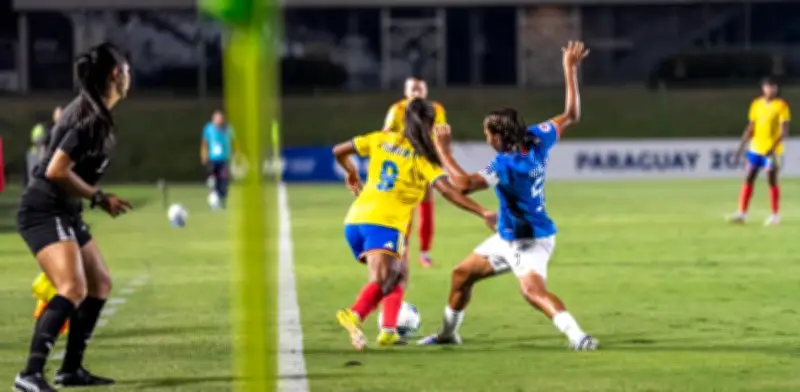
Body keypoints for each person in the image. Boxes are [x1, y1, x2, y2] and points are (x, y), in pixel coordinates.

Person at [417, 41, 598, 351]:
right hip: (510, 233)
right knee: (462, 274)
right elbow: (571, 115)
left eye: (488, 135)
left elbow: (462, 183)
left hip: (527, 239)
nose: (487, 139)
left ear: (500, 137)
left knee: (532, 291)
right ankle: (448, 333)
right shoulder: (538, 138)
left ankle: (578, 336)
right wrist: (569, 69)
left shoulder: (504, 165)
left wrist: (443, 150)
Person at [14, 42, 133, 392]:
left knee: (100, 284)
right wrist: (98, 197)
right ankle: (30, 374)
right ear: (116, 74)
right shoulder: (90, 118)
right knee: (73, 287)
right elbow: (56, 169)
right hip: (43, 208)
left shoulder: (96, 111)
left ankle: (70, 370)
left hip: (64, 208)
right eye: (126, 70)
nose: (129, 76)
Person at [333, 98, 495, 350]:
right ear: (431, 125)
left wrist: (351, 171)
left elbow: (338, 151)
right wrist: (482, 212)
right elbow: (449, 191)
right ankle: (354, 314)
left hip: (355, 220)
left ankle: (388, 331)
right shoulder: (423, 157)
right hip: (384, 223)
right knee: (382, 280)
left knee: (399, 276)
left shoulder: (380, 139)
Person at [383, 77, 446, 267]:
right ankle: (403, 250)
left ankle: (425, 253)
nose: (417, 92)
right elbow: (386, 135)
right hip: (403, 164)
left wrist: (438, 157)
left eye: (420, 89)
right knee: (406, 209)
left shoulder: (436, 109)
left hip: (425, 162)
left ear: (426, 91)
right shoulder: (397, 109)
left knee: (427, 207)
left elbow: (440, 135)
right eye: (413, 89)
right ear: (406, 91)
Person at [730, 77, 790, 226]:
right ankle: (742, 213)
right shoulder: (756, 104)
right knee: (749, 177)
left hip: (771, 152)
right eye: (768, 86)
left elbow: (784, 131)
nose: (771, 89)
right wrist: (740, 146)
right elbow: (751, 127)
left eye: (773, 87)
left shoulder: (781, 106)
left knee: (771, 180)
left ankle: (775, 215)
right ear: (763, 88)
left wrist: (773, 147)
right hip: (755, 149)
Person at [200, 110, 236, 209]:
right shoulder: (208, 129)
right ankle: (214, 201)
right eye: (217, 119)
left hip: (224, 160)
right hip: (212, 159)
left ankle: (222, 198)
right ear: (213, 119)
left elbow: (234, 141)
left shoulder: (228, 129)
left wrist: (236, 154)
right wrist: (204, 155)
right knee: (213, 181)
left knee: (223, 181)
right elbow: (205, 143)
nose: (219, 121)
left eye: (221, 119)